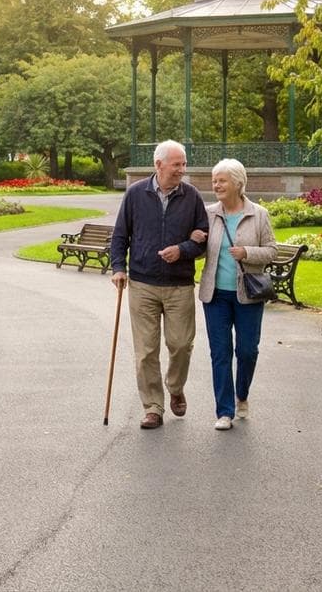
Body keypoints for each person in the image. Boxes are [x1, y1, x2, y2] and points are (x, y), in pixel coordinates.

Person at [109, 140, 209, 430]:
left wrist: (183, 249)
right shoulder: (135, 194)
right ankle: (153, 406)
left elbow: (203, 239)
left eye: (184, 164)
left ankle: (175, 387)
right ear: (159, 165)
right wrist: (118, 268)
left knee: (180, 345)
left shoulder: (191, 197)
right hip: (142, 283)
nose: (182, 170)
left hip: (179, 285)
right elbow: (120, 237)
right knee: (145, 351)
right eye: (177, 164)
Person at [191, 158, 277, 431]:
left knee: (247, 351)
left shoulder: (259, 214)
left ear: (238, 183)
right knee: (220, 352)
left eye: (222, 180)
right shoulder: (208, 213)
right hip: (215, 294)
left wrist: (247, 253)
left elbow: (273, 251)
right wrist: (195, 241)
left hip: (248, 295)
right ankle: (224, 411)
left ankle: (242, 395)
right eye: (214, 180)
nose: (216, 185)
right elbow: (203, 250)